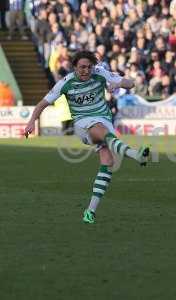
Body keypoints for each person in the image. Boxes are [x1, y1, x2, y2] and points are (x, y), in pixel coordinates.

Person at [24, 50, 150, 224]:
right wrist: (31, 122)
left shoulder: (100, 73)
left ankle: (90, 211)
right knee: (103, 133)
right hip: (83, 123)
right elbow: (42, 104)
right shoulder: (65, 83)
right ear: (74, 67)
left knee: (108, 162)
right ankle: (136, 155)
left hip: (104, 120)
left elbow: (130, 83)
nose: (86, 70)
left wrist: (119, 84)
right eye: (82, 67)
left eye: (89, 67)